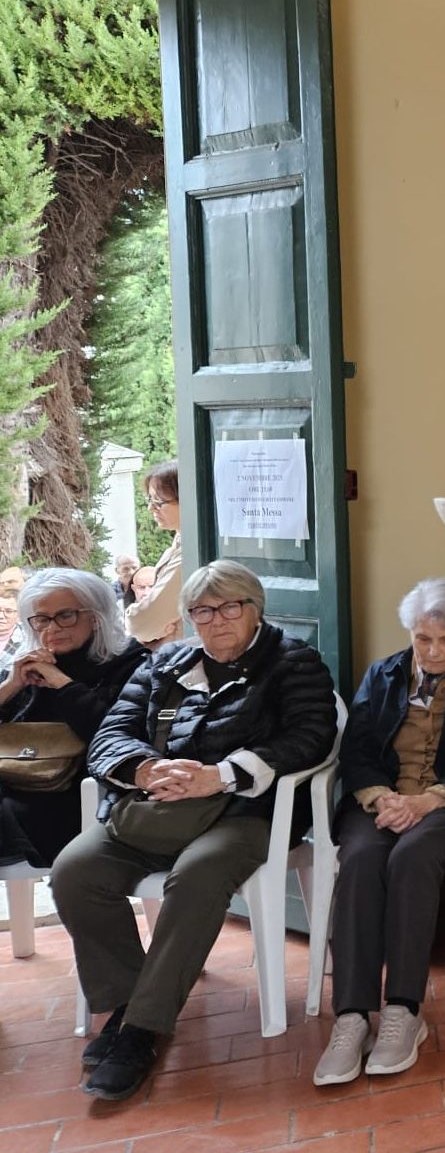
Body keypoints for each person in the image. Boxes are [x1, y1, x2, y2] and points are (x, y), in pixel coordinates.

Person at [51, 560, 337, 1100]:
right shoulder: (166, 662)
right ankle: (127, 1003)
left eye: (230, 607)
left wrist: (220, 775)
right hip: (155, 809)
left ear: (256, 610)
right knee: (75, 871)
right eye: (202, 611)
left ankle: (142, 1030)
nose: (216, 620)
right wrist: (145, 769)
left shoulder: (293, 663)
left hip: (246, 813)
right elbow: (111, 733)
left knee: (199, 875)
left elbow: (310, 737)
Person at [313, 578, 445, 1086]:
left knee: (410, 857)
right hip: (383, 799)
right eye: (422, 638)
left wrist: (429, 799)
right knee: (361, 859)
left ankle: (403, 1010)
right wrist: (381, 796)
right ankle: (352, 1016)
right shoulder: (383, 673)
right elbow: (357, 747)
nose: (432, 651)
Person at [0, 571, 147, 868]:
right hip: (14, 783)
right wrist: (12, 685)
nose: (52, 628)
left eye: (65, 615)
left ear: (96, 617)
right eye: (41, 619)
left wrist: (62, 683)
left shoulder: (130, 664)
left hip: (78, 795)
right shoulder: (29, 664)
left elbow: (113, 734)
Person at [124, 461, 182, 648]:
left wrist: (135, 615)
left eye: (159, 502)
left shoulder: (188, 554)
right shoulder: (177, 546)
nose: (150, 508)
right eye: (149, 500)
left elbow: (143, 623)